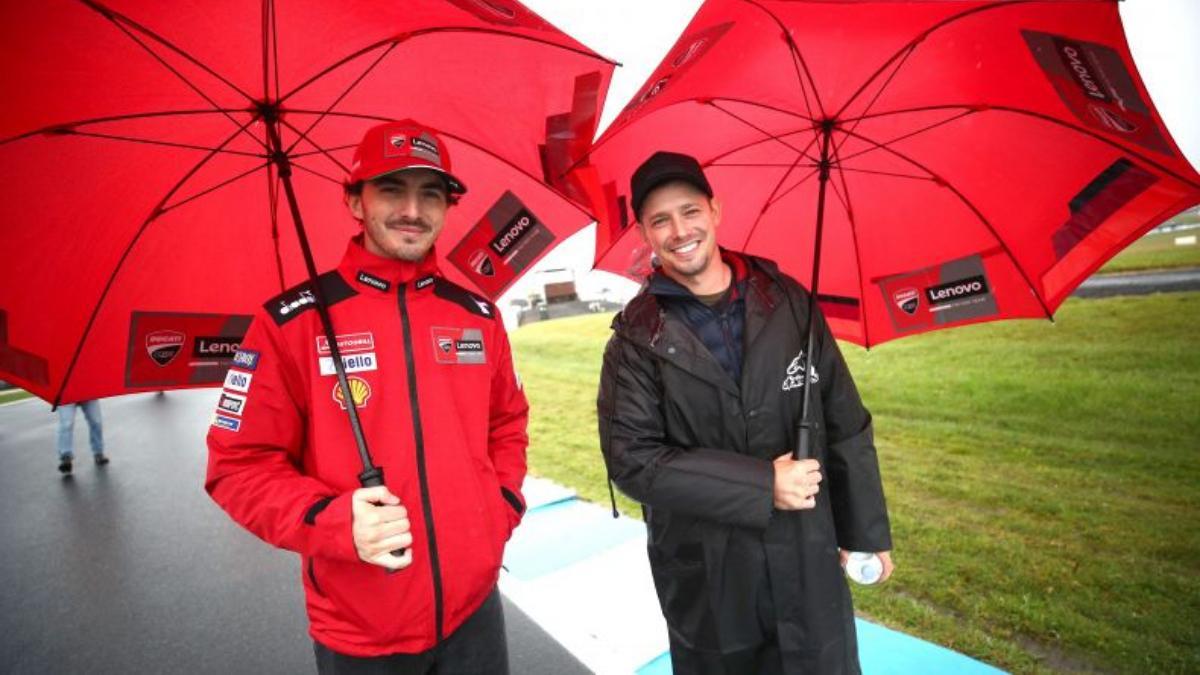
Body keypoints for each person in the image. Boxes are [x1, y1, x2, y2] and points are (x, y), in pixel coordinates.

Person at [206, 120, 529, 673]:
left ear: (448, 207)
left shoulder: (477, 316)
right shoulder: (291, 322)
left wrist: (500, 509)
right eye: (391, 189)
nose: (413, 209)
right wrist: (332, 520)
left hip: (474, 610)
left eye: (430, 194)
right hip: (361, 631)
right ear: (354, 201)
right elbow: (236, 467)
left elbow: (507, 424)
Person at [597, 151, 893, 674]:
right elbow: (633, 460)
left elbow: (845, 421)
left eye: (689, 211)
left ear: (714, 210)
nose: (679, 230)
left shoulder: (789, 303)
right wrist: (762, 485)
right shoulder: (635, 339)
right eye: (660, 220)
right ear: (644, 233)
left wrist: (864, 532)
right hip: (711, 578)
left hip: (806, 558)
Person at [56, 399, 108, 474]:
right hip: (65, 393)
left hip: (88, 391)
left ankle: (98, 452)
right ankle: (66, 457)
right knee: (66, 424)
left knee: (96, 421)